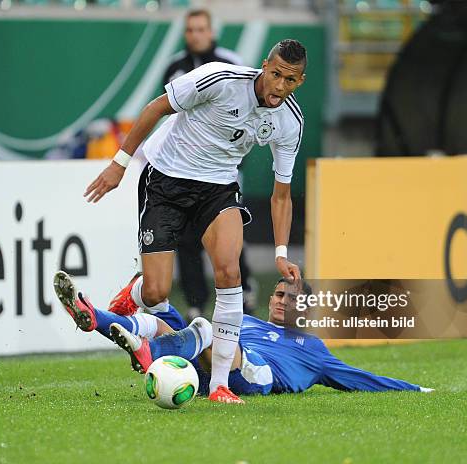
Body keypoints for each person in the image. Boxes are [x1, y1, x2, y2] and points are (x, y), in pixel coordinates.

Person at [83, 39, 307, 404]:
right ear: (265, 66)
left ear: (301, 81)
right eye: (276, 75)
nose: (280, 87)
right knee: (157, 292)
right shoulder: (218, 79)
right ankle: (135, 294)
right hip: (166, 178)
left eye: (291, 80)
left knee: (230, 273)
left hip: (218, 189)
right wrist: (119, 164)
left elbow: (281, 194)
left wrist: (281, 252)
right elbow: (156, 108)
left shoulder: (289, 121)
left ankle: (220, 384)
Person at [53, 271, 433, 398]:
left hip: (251, 376)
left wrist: (413, 389)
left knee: (203, 328)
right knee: (157, 301)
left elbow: (355, 378)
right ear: (271, 297)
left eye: (294, 299)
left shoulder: (312, 348)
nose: (284, 302)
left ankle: (142, 346)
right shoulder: (248, 322)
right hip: (211, 370)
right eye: (280, 294)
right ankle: (93, 316)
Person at [162, 9, 255, 322]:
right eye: (190, 29)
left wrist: (239, 158)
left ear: (212, 32)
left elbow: (249, 111)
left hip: (221, 168)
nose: (195, 35)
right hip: (183, 167)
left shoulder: (232, 63)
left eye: (201, 29)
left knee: (228, 236)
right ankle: (195, 301)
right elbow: (168, 115)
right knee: (187, 236)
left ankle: (244, 290)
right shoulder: (175, 67)